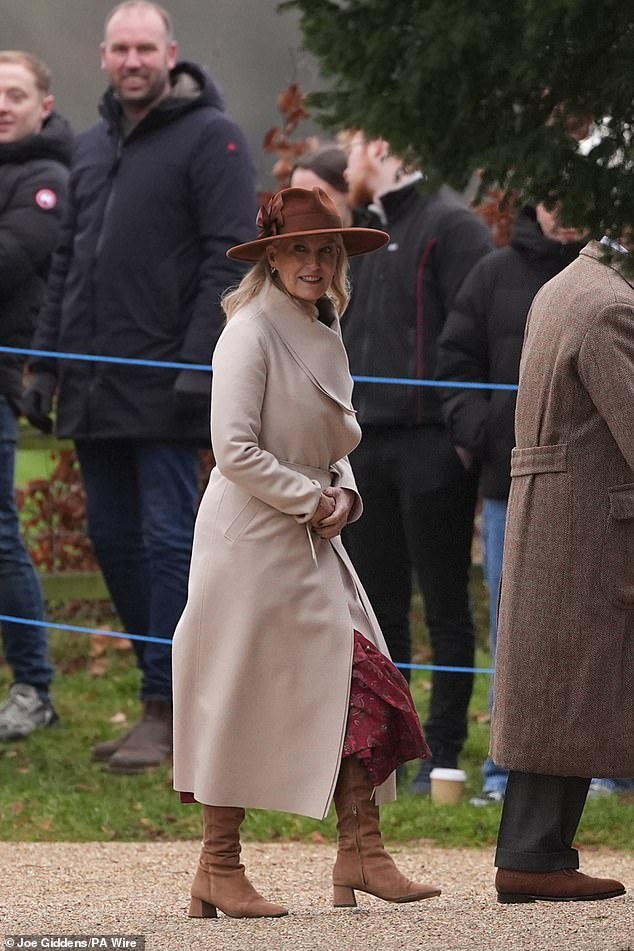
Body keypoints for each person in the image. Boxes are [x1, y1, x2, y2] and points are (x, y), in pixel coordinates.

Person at [172, 186, 442, 919]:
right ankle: (218, 866)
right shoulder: (250, 331)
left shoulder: (323, 325)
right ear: (270, 257)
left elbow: (333, 442)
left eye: (326, 250)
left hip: (312, 530)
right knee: (233, 691)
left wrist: (344, 493)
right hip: (251, 538)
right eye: (299, 249)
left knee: (360, 675)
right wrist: (313, 498)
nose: (315, 263)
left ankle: (362, 849)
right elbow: (233, 449)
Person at [23, 1, 256, 773]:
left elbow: (228, 258)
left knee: (167, 543)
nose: (132, 60)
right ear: (103, 57)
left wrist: (200, 365)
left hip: (166, 385)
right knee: (115, 542)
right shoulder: (90, 150)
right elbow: (68, 267)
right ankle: (155, 696)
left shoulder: (210, 138)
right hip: (93, 388)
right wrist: (45, 363)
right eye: (120, 48)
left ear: (171, 54)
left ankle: (172, 705)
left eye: (145, 48)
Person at [341, 132, 495, 793]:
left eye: (350, 149)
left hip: (433, 443)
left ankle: (446, 754)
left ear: (378, 146)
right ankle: (391, 756)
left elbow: (474, 333)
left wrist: (463, 432)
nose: (345, 164)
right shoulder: (364, 233)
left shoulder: (452, 225)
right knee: (378, 610)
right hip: (367, 441)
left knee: (444, 605)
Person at [490, 236, 633, 902]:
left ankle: (535, 851)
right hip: (589, 525)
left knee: (561, 694)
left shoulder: (568, 284)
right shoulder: (608, 305)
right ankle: (533, 854)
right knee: (570, 690)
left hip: (561, 516)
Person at [436, 203, 588, 804]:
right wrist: (486, 433)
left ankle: (599, 769)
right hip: (508, 486)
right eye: (557, 194)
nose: (567, 210)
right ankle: (505, 775)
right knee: (513, 629)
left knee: (592, 630)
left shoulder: (609, 276)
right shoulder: (493, 273)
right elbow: (456, 360)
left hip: (594, 489)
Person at [0, 51, 72, 740]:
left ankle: (34, 686)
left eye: (15, 94)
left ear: (42, 104)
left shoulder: (47, 179)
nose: (2, 105)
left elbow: (10, 260)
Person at [290, 145, 353, 225]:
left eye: (320, 198)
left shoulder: (372, 234)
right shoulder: (280, 234)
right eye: (297, 200)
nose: (306, 210)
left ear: (349, 193)